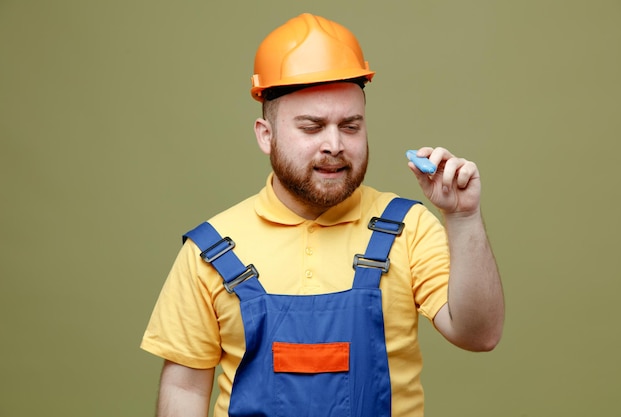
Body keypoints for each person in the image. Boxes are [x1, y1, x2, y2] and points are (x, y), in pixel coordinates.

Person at [140, 12, 504, 417]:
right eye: (312, 128)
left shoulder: (409, 228)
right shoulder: (211, 248)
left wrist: (463, 217)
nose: (335, 144)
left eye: (350, 126)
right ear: (266, 135)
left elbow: (480, 334)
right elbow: (186, 389)